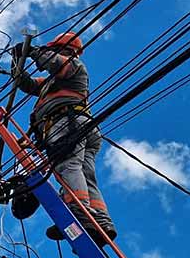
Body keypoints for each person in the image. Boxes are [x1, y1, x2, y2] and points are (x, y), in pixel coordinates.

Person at [12, 32, 117, 245]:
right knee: (86, 174)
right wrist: (17, 61)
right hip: (81, 126)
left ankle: (79, 213)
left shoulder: (74, 66)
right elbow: (27, 84)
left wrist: (32, 51)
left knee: (68, 166)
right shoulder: (52, 82)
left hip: (67, 123)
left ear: (65, 50)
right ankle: (101, 221)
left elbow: (55, 62)